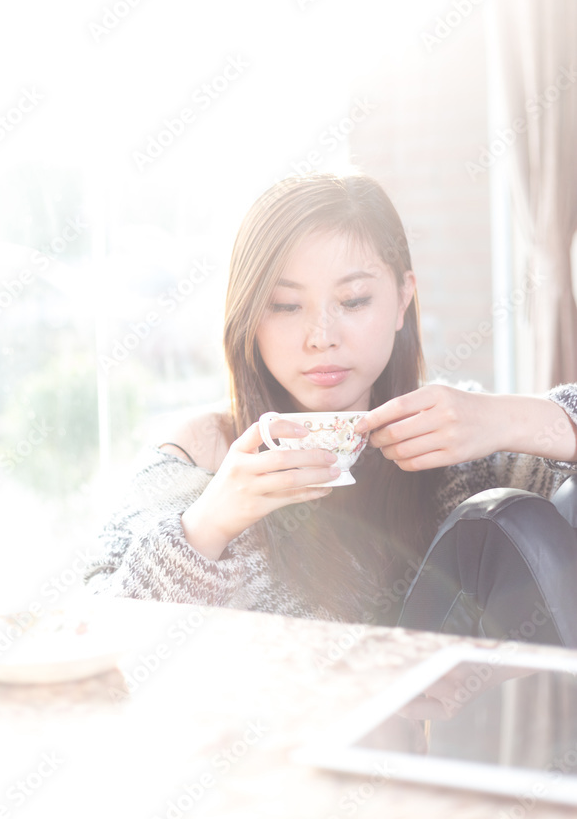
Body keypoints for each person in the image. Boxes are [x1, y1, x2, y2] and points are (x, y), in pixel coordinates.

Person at [83, 172, 577, 632]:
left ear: (403, 300)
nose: (322, 337)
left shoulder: (456, 435)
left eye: (355, 300)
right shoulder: (203, 453)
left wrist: (513, 418)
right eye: (285, 305)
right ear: (249, 315)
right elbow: (98, 636)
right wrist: (206, 527)